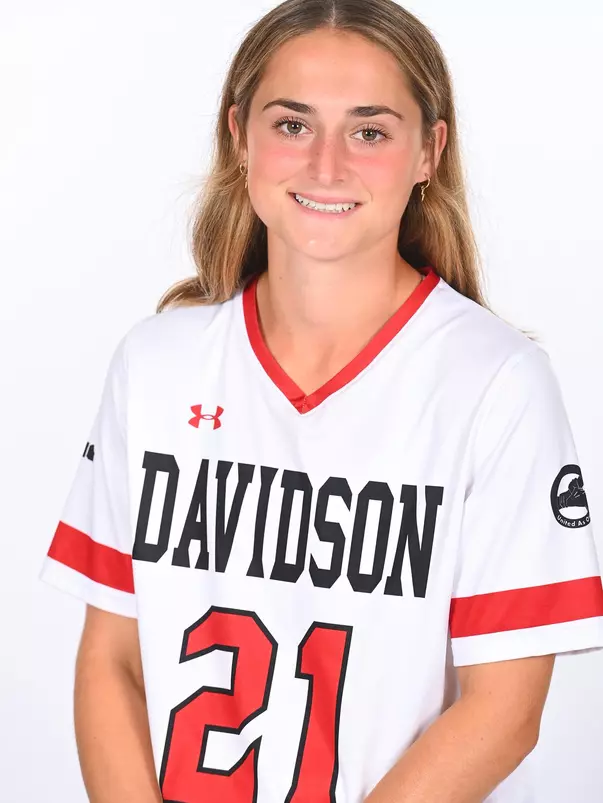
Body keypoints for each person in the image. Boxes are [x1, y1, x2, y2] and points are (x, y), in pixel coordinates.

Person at [39, 1, 603, 801]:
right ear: (239, 135)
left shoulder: (495, 384)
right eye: (292, 124)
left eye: (369, 130)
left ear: (427, 152)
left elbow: (504, 709)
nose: (326, 165)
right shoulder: (156, 364)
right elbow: (111, 658)